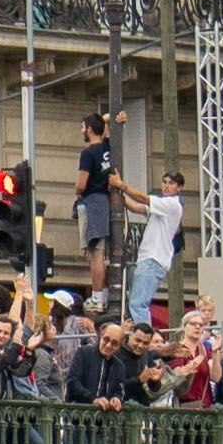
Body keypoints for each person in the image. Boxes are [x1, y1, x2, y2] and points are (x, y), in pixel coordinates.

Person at [115, 169, 186, 328]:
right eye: (165, 182)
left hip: (153, 259)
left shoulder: (172, 204)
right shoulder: (163, 206)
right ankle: (141, 336)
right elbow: (136, 207)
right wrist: (117, 194)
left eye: (171, 183)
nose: (166, 186)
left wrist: (122, 186)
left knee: (138, 304)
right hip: (149, 259)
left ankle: (144, 339)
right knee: (136, 303)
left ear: (179, 188)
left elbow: (144, 199)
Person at [74, 113, 118, 295]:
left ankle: (97, 295)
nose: (82, 130)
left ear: (90, 129)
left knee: (95, 253)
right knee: (99, 252)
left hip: (92, 201)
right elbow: (106, 130)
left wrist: (77, 190)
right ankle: (103, 293)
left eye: (83, 127)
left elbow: (81, 184)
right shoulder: (107, 147)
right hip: (104, 200)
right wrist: (105, 119)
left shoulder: (88, 153)